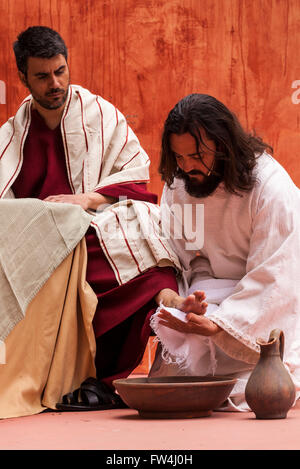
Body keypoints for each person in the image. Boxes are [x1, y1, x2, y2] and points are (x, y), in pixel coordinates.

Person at [0, 27, 206, 415]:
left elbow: (134, 172)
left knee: (138, 229)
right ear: (23, 78)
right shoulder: (13, 133)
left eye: (60, 71)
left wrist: (86, 200)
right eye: (42, 76)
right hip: (44, 238)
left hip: (96, 218)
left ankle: (169, 308)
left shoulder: (99, 113)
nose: (55, 83)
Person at [149, 93, 300, 411]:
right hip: (211, 303)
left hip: (260, 309)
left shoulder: (270, 189)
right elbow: (185, 258)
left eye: (197, 155)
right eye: (179, 157)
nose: (187, 167)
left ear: (223, 144)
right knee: (175, 379)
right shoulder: (180, 185)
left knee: (258, 387)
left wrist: (223, 324)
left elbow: (276, 276)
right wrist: (187, 303)